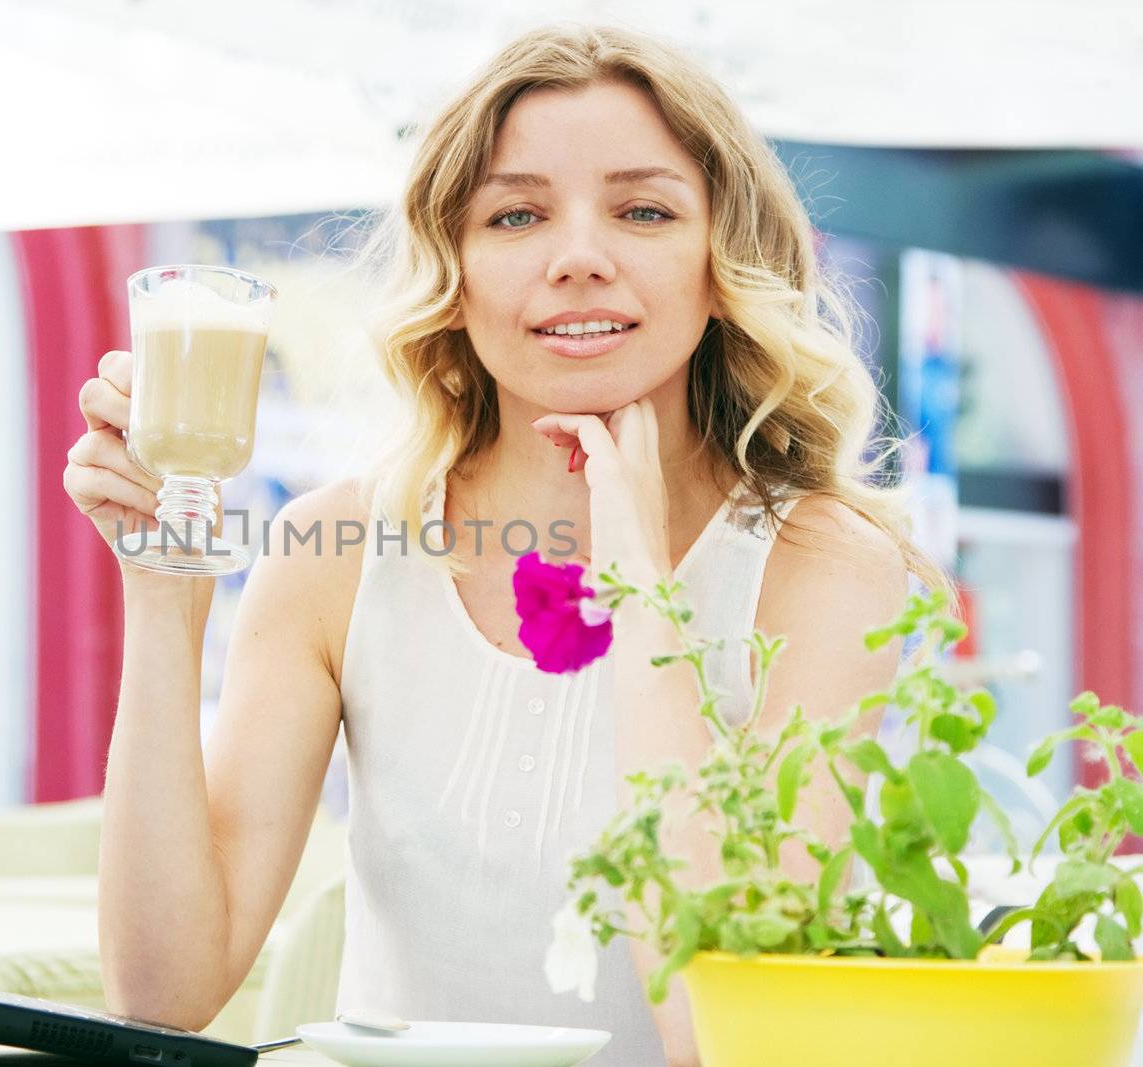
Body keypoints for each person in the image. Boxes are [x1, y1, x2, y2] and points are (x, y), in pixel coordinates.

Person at [63, 23, 946, 1067]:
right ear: (456, 269)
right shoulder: (333, 551)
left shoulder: (826, 569)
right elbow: (163, 987)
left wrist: (636, 584)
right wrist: (162, 590)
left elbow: (719, 1040)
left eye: (643, 210)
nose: (579, 258)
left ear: (720, 265)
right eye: (516, 213)